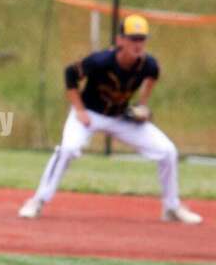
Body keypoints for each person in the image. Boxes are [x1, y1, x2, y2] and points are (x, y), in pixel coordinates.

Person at [19, 14, 202, 224]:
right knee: (68, 149)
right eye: (133, 38)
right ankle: (37, 200)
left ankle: (172, 208)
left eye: (141, 39)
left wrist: (142, 106)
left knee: (167, 151)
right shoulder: (100, 61)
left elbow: (152, 78)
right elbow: (70, 74)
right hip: (90, 114)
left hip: (120, 117)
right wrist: (79, 110)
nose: (137, 44)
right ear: (120, 40)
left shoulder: (149, 65)